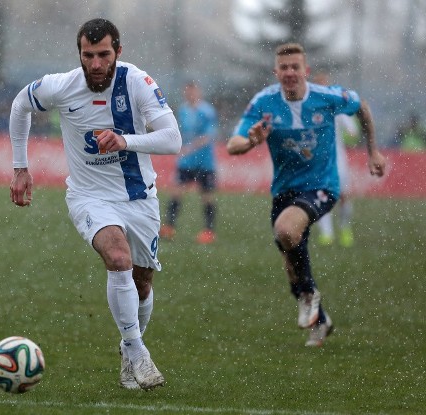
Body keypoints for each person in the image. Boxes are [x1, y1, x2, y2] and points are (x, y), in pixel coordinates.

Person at [9, 18, 181, 389]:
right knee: (117, 258)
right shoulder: (61, 86)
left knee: (142, 283)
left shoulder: (137, 82)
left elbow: (172, 140)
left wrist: (126, 141)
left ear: (119, 51)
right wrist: (20, 166)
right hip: (89, 197)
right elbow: (21, 104)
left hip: (139, 197)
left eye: (104, 54)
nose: (96, 64)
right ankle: (137, 352)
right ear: (80, 55)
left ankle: (127, 347)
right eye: (89, 55)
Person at [226, 43, 386, 347]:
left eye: (295, 67)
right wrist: (250, 141)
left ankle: (310, 295)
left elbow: (362, 106)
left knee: (286, 229)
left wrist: (373, 151)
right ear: (276, 72)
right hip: (284, 190)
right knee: (290, 260)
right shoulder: (264, 102)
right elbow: (234, 144)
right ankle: (321, 320)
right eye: (283, 68)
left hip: (323, 186)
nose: (289, 73)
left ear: (305, 71)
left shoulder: (327, 97)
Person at [159, 81, 219, 244]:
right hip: (186, 162)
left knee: (207, 197)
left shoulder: (207, 111)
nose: (190, 94)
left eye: (192, 91)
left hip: (204, 162)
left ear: (198, 93)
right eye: (187, 91)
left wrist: (190, 147)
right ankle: (169, 227)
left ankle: (209, 231)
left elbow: (209, 136)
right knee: (176, 193)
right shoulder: (183, 110)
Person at [312, 71, 360, 247]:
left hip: (338, 160)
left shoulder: (337, 109)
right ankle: (327, 234)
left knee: (343, 196)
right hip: (318, 161)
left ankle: (345, 227)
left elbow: (353, 131)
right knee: (320, 195)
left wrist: (351, 128)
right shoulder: (310, 110)